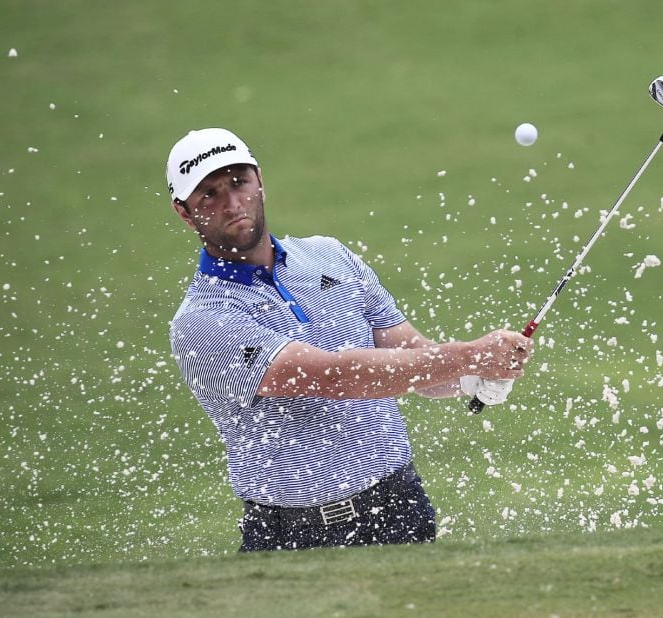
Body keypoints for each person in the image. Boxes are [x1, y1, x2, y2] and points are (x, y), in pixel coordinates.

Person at [166, 127, 533, 552]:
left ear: (260, 181)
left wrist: (471, 378)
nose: (231, 203)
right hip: (293, 537)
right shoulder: (201, 321)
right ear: (184, 212)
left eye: (238, 182)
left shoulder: (330, 256)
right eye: (209, 194)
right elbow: (335, 378)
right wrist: (469, 357)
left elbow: (412, 358)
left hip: (399, 509)